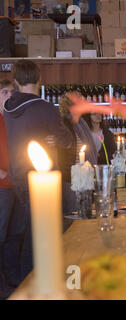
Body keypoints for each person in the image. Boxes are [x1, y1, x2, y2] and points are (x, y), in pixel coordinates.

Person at [2, 60, 73, 287]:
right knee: (41, 234)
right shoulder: (45, 108)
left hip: (18, 176)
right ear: (39, 79)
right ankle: (33, 280)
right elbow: (67, 141)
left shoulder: (8, 108)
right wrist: (51, 139)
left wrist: (43, 138)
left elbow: (26, 136)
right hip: (43, 178)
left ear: (15, 81)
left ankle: (26, 280)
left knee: (25, 232)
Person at [57, 92, 98, 215]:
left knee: (85, 211)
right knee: (73, 213)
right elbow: (62, 151)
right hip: (71, 178)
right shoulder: (64, 123)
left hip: (84, 176)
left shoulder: (81, 122)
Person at [0, 79, 16, 299]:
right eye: (4, 92)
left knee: (15, 233)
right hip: (2, 187)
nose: (9, 96)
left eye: (12, 92)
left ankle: (13, 278)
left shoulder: (13, 120)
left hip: (17, 185)